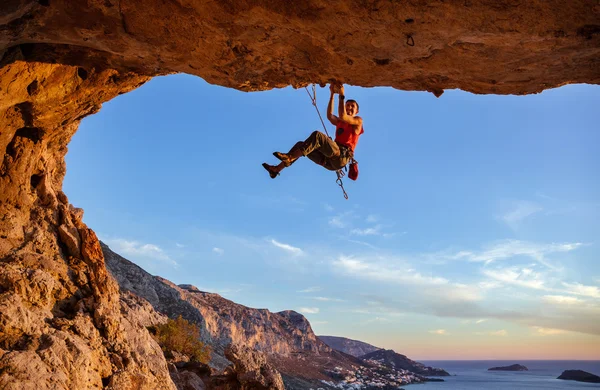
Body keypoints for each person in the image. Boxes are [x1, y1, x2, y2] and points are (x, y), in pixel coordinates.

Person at [262, 83, 364, 178]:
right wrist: (332, 94)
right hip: (328, 161)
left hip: (341, 156)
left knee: (318, 136)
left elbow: (343, 115)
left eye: (352, 106)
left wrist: (341, 95)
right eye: (347, 105)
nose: (349, 107)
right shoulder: (340, 122)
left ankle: (289, 158)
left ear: (357, 111)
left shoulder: (358, 121)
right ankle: (276, 169)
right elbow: (329, 115)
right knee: (300, 145)